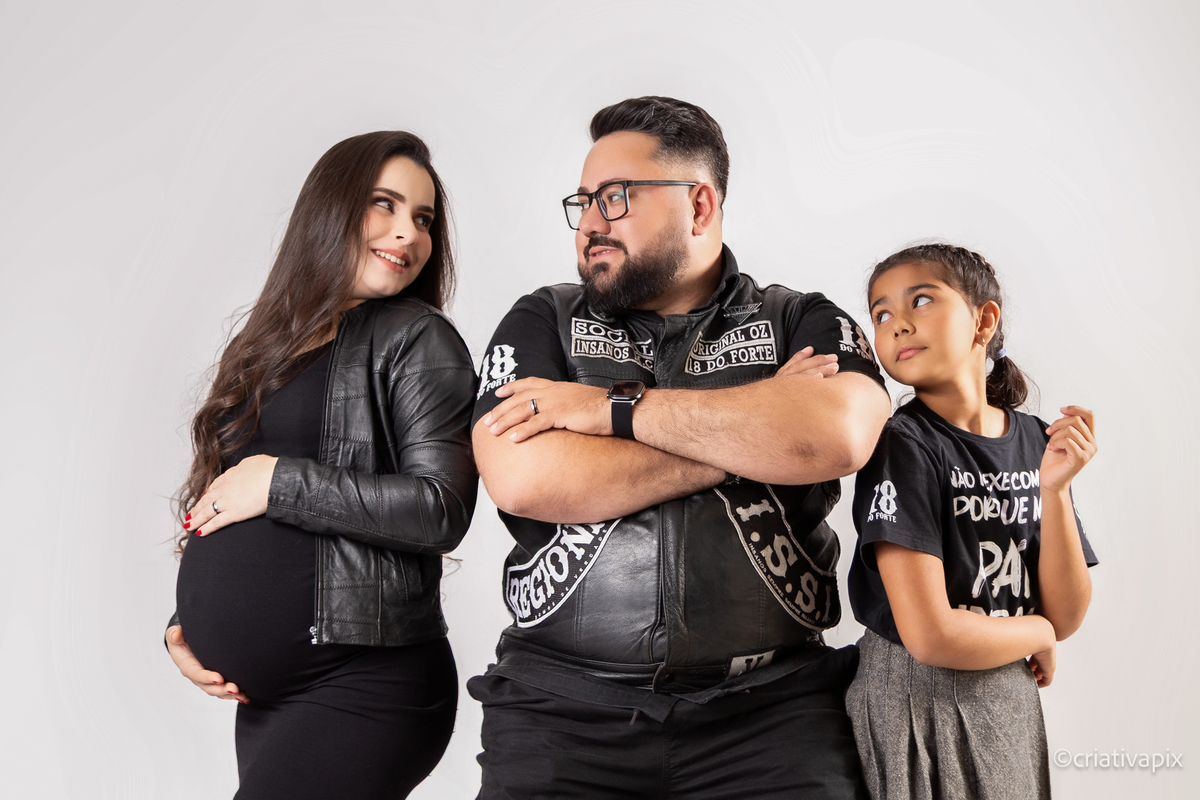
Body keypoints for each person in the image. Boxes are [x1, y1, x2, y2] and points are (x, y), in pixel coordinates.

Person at [471, 96, 891, 799]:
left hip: (774, 712)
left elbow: (839, 436)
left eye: (615, 197)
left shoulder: (800, 319)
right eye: (584, 202)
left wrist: (608, 411)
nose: (591, 223)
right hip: (559, 710)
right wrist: (758, 429)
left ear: (699, 206)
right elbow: (525, 477)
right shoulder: (542, 318)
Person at [164, 131, 478, 800]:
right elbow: (226, 496)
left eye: (423, 218)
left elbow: (441, 507)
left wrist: (280, 482)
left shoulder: (418, 339)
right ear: (329, 209)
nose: (409, 233)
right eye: (384, 204)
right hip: (268, 700)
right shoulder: (268, 344)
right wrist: (183, 622)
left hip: (365, 683)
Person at [843, 243, 1099, 800]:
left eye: (921, 300)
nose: (898, 323)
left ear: (984, 321)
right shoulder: (902, 444)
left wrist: (1054, 491)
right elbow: (931, 636)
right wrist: (1036, 632)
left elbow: (1066, 613)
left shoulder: (1035, 440)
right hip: (917, 695)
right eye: (881, 313)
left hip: (1006, 691)